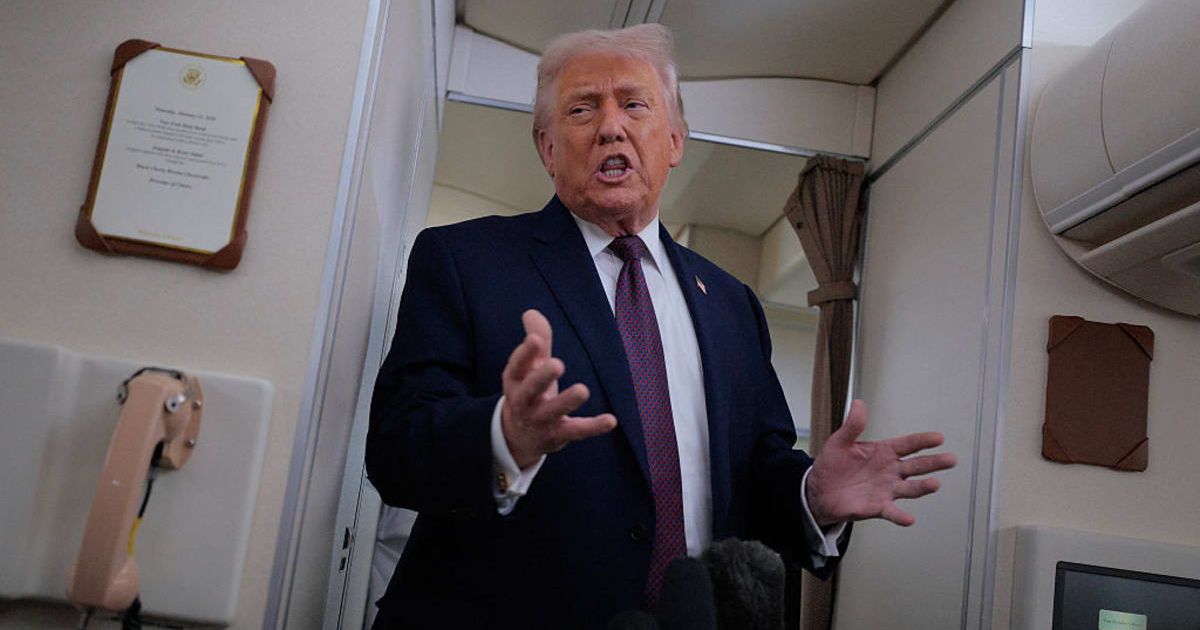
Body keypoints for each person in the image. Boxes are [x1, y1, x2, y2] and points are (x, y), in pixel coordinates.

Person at [366, 23, 956, 630]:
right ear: (547, 148)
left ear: (674, 140)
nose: (610, 127)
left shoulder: (733, 304)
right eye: (581, 109)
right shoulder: (465, 262)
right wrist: (503, 436)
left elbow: (757, 467)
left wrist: (811, 497)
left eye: (634, 104)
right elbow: (394, 451)